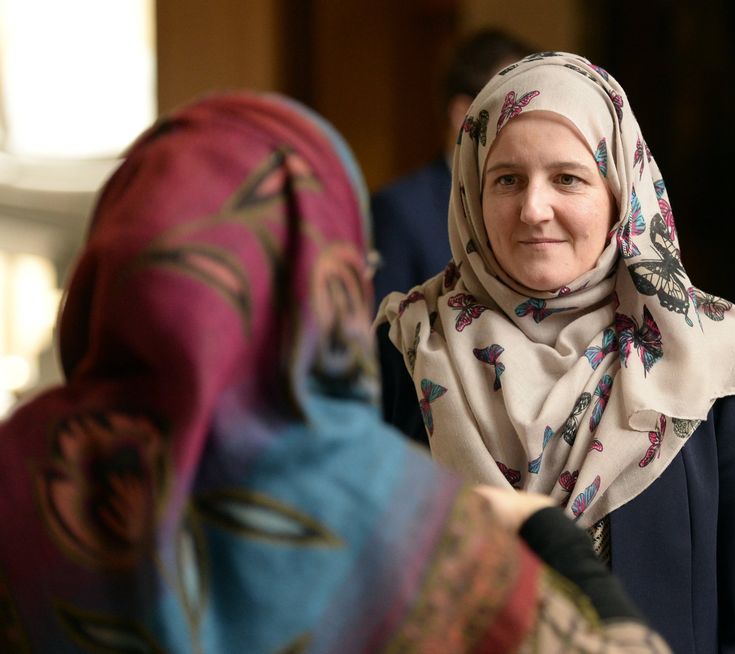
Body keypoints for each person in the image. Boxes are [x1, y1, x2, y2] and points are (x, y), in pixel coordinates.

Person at [0, 92, 672, 653]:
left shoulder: (18, 477)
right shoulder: (397, 516)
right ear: (327, 278)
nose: (534, 208)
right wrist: (548, 535)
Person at [377, 52, 735, 653]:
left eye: (568, 178)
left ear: (619, 192)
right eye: (506, 179)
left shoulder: (710, 361)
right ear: (471, 188)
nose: (533, 208)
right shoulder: (409, 348)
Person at [371, 28, 532, 309]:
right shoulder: (400, 209)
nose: (530, 123)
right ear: (464, 116)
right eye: (514, 107)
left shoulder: (535, 204)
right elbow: (385, 334)